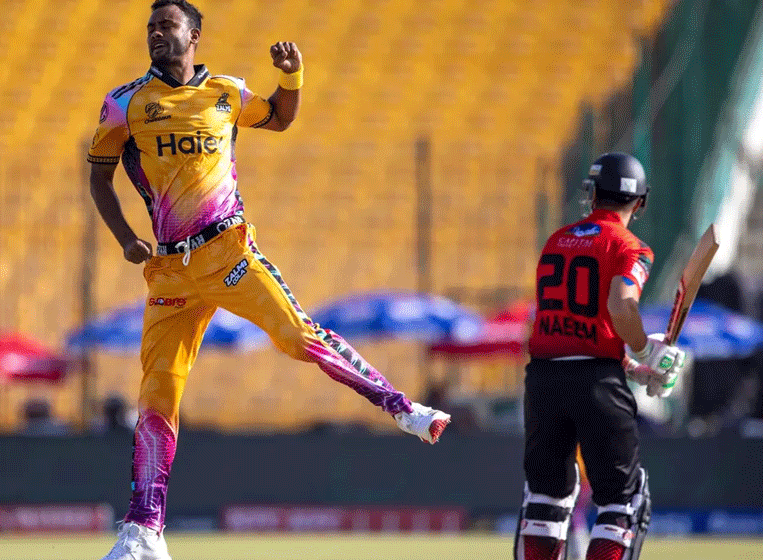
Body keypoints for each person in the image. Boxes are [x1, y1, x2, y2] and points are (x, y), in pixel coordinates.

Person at [86, 2, 450, 558]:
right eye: (151, 27)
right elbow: (99, 176)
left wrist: (292, 77)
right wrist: (124, 238)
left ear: (194, 35)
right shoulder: (126, 103)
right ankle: (144, 532)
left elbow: (279, 117)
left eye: (168, 25)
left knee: (296, 336)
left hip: (228, 251)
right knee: (157, 392)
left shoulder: (227, 93)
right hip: (170, 270)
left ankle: (403, 408)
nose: (157, 34)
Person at [513, 152, 685, 560]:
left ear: (592, 194)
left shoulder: (556, 241)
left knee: (546, 500)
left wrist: (631, 366)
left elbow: (561, 324)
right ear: (640, 203)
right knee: (621, 502)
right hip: (597, 385)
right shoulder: (630, 247)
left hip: (543, 380)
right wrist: (645, 350)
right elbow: (620, 307)